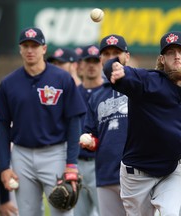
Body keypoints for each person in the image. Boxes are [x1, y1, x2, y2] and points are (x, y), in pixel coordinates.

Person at [0, 27, 86, 216]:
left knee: (63, 209)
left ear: (44, 48)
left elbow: (74, 123)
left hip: (55, 153)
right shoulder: (9, 83)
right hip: (21, 155)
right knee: (27, 212)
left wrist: (71, 163)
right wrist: (4, 168)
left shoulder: (62, 78)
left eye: (35, 45)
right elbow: (2, 128)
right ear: (20, 49)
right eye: (26, 45)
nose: (30, 50)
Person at [103, 31, 181, 216]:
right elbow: (120, 72)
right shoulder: (149, 81)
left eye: (180, 51)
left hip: (172, 170)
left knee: (171, 213)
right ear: (162, 59)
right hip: (137, 175)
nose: (177, 56)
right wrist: (114, 68)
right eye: (171, 52)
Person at [81, 35, 130, 216]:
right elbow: (91, 133)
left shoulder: (141, 86)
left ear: (127, 56)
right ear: (101, 60)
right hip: (106, 174)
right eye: (107, 54)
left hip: (137, 175)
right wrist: (89, 142)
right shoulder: (96, 96)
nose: (111, 58)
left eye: (116, 53)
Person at [73, 45, 103, 216]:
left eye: (96, 61)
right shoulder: (73, 94)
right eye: (88, 61)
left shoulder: (110, 92)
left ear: (101, 64)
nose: (92, 65)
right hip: (76, 164)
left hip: (101, 163)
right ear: (80, 64)